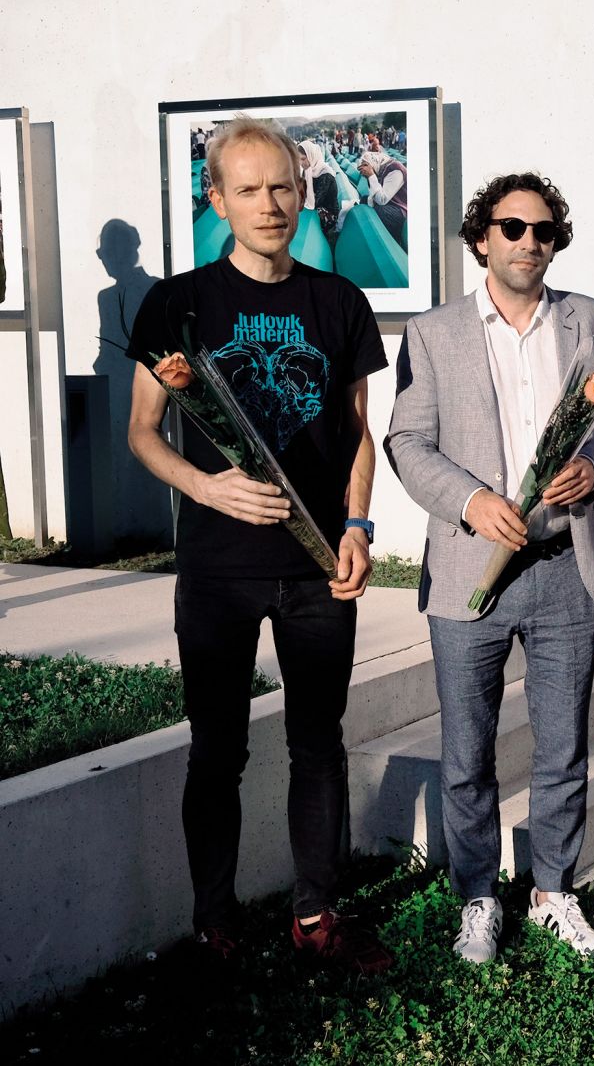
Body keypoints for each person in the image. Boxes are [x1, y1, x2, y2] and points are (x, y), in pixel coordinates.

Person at [125, 115, 392, 974]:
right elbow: (143, 429)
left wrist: (356, 527)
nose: (271, 205)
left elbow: (357, 431)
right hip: (217, 568)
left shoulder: (338, 302)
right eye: (249, 190)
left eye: (283, 186)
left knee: (319, 741)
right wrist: (206, 485)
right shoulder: (179, 301)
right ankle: (215, 922)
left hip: (317, 565)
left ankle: (316, 912)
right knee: (219, 748)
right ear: (218, 199)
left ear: (301, 189)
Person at [386, 172, 594, 964]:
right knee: (468, 751)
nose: (531, 242)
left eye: (545, 231)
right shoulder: (432, 333)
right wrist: (468, 501)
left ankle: (553, 887)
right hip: (471, 571)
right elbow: (406, 441)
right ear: (481, 238)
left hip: (569, 566)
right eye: (513, 227)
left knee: (563, 744)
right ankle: (477, 897)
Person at [298, 140, 345, 248]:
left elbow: (314, 203)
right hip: (316, 205)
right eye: (299, 159)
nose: (301, 163)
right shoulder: (309, 171)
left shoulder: (325, 174)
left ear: (311, 156)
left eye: (303, 159)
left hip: (328, 212)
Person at [358, 151, 408, 249]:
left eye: (365, 165)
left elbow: (382, 199)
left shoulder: (396, 170)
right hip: (389, 204)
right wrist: (369, 178)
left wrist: (371, 175)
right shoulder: (381, 169)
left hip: (400, 209)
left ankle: (391, 245)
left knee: (379, 212)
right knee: (364, 200)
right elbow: (373, 195)